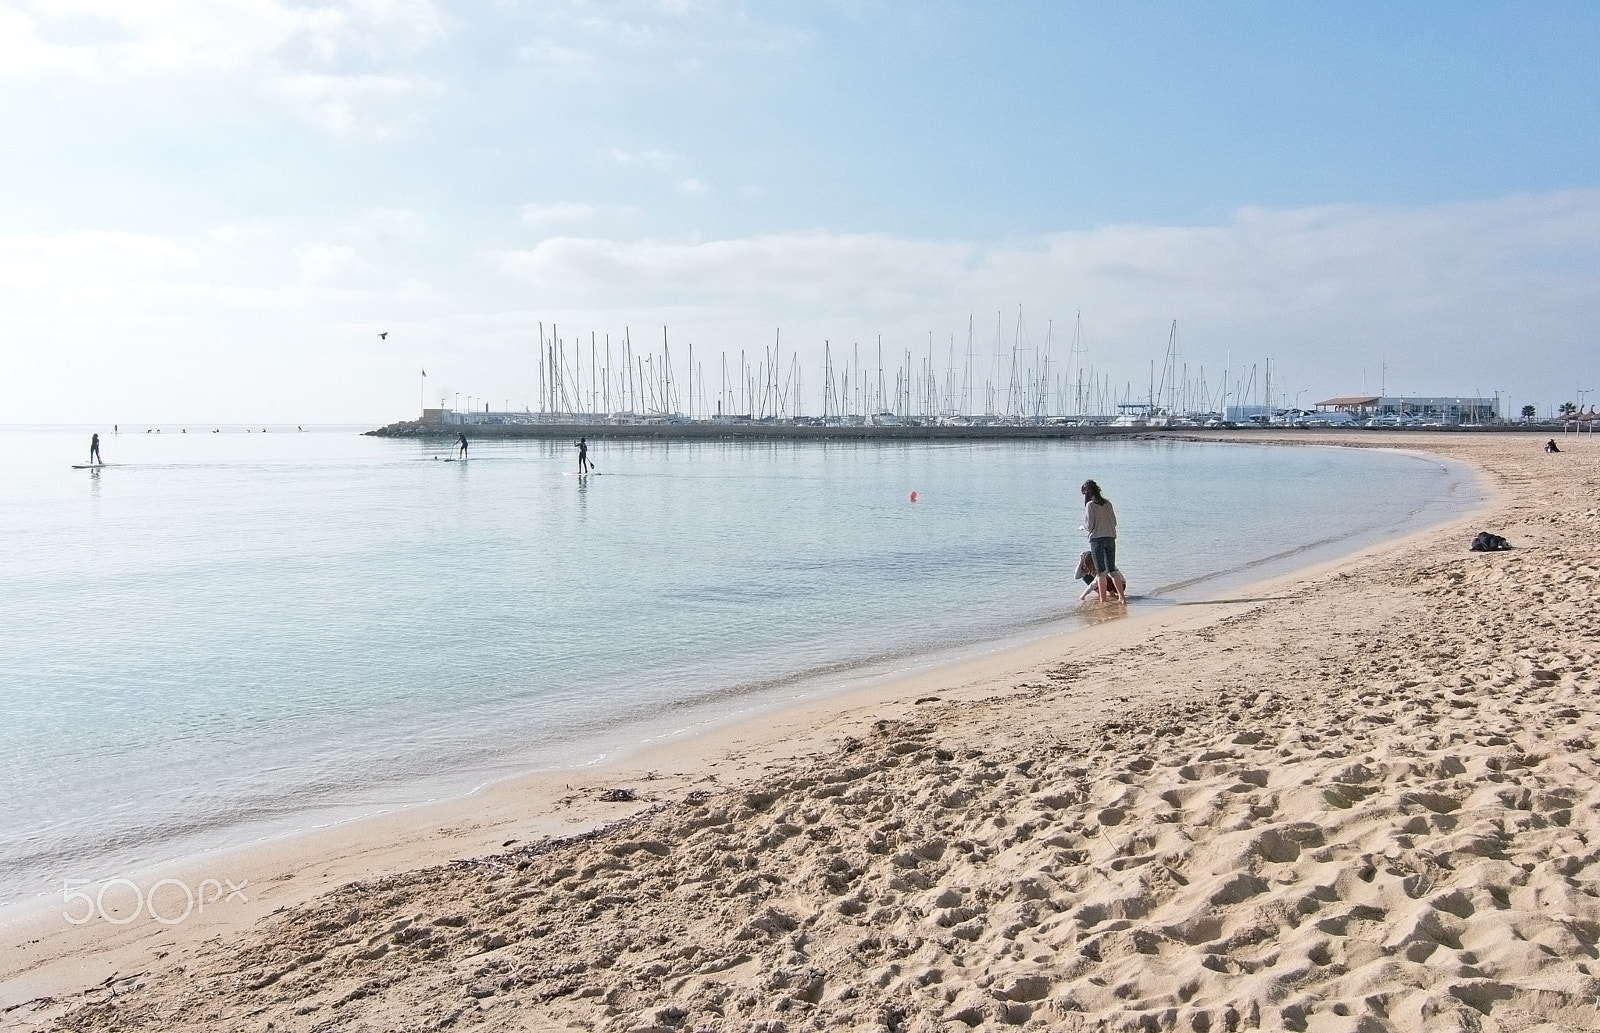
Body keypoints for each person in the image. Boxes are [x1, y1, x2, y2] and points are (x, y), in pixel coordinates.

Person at [1081, 479, 1126, 603]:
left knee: (1100, 572)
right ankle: (1122, 598)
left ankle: (1103, 599)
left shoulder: (1090, 505)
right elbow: (1114, 522)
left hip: (1097, 540)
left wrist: (1083, 527)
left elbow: (1089, 526)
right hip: (1110, 538)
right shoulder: (1108, 503)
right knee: (1112, 570)